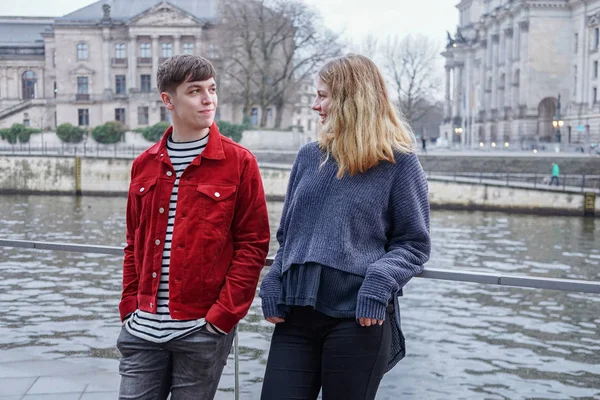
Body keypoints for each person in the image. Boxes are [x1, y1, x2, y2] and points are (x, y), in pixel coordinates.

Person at [259, 54, 431, 400]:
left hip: (357, 317)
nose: (314, 105)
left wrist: (378, 283)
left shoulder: (399, 163)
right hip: (295, 314)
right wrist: (274, 278)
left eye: (323, 95)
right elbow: (288, 237)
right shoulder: (309, 156)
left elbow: (414, 244)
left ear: (352, 99)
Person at [117, 54, 270, 400]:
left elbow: (253, 244)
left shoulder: (239, 162)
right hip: (142, 328)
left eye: (212, 89)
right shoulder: (144, 164)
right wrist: (129, 306)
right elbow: (133, 243)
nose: (208, 99)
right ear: (168, 100)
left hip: (201, 330)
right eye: (195, 91)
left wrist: (222, 318)